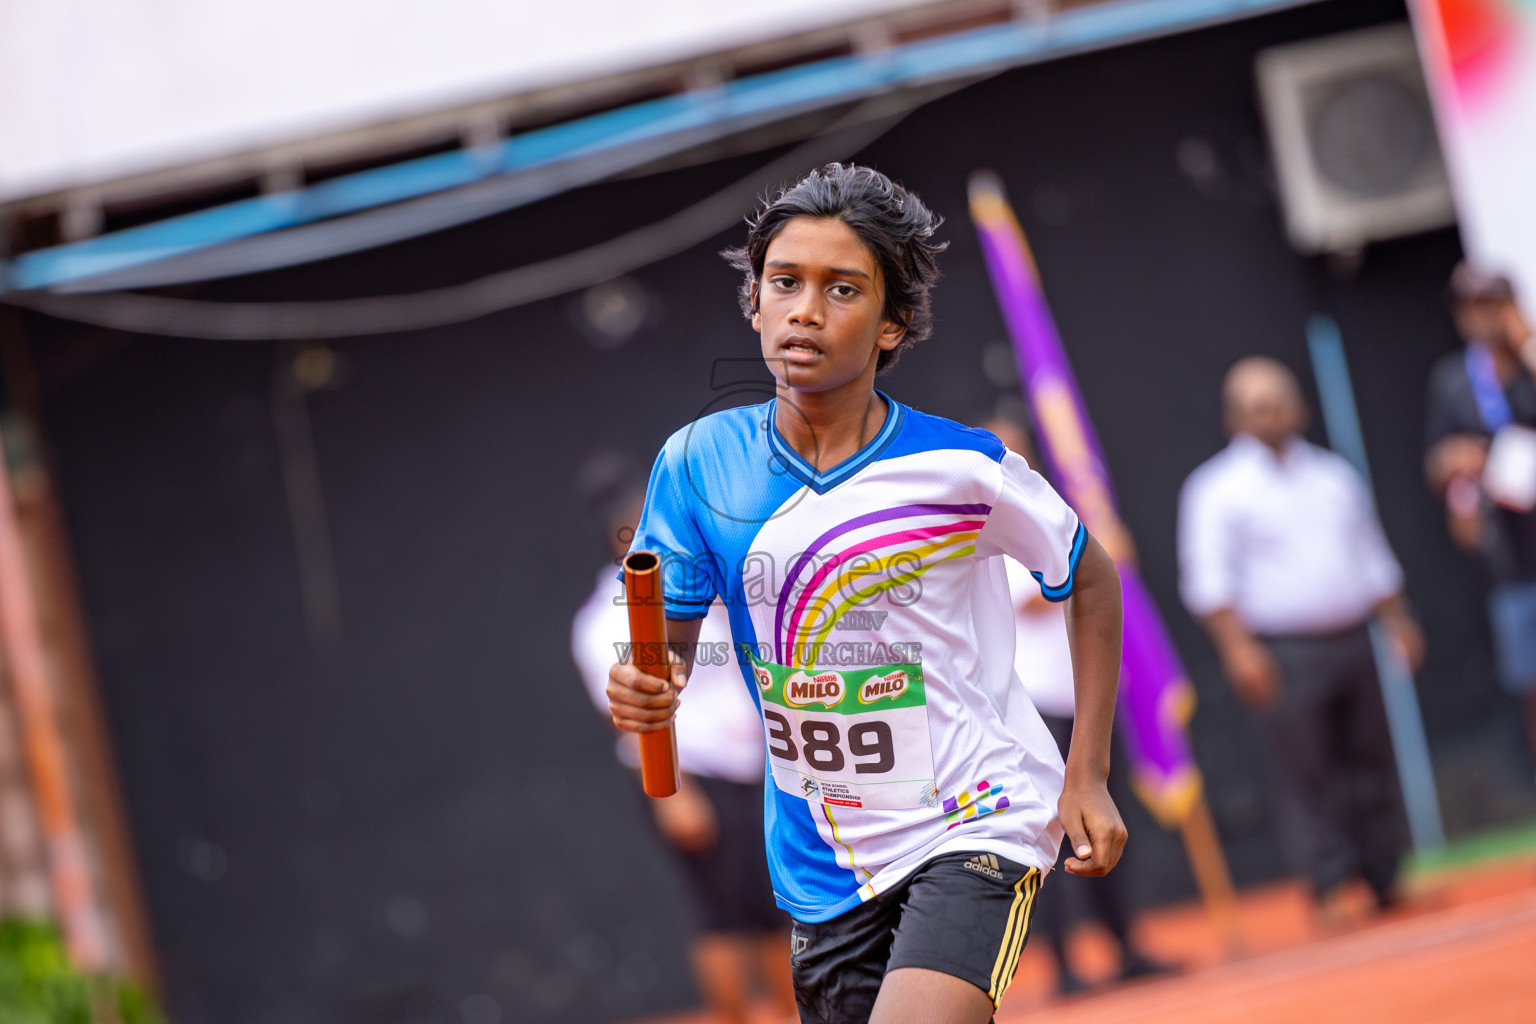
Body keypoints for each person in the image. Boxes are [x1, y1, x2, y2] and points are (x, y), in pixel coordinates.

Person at [604, 164, 1127, 1024]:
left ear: (891, 326)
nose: (806, 309)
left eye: (841, 289)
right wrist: (646, 682)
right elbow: (670, 646)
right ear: (755, 305)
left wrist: (1090, 772)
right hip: (823, 860)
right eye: (785, 283)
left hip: (976, 816)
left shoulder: (961, 467)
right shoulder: (697, 465)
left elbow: (1088, 572)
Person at [1177, 357, 1424, 923]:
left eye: (1277, 402)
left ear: (1299, 407)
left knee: (1371, 762)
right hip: (1282, 648)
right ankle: (1329, 884)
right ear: (1234, 417)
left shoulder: (1333, 475)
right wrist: (1238, 650)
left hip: (1353, 637)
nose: (1269, 415)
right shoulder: (1217, 488)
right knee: (1307, 773)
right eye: (1255, 406)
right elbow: (1209, 579)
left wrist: (1399, 620)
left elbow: (1371, 556)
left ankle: (1386, 875)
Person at [571, 454, 794, 1024]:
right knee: (723, 915)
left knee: (779, 910)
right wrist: (676, 794)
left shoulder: (702, 593)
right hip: (690, 772)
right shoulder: (607, 619)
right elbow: (627, 717)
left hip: (755, 767)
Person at [983, 415, 1173, 995]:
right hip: (1029, 704)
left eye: (1017, 450)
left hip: (1079, 696)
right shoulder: (982, 530)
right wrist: (1096, 559)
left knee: (1101, 817)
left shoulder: (1047, 512)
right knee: (1045, 833)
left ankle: (1124, 943)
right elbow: (1043, 596)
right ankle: (1063, 964)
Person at [1423, 264, 1536, 770]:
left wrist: (1525, 344)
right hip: (1512, 557)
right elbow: (1438, 462)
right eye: (1469, 308)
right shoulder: (1453, 381)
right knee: (1530, 683)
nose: (1479, 318)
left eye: (1489, 305)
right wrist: (1454, 473)